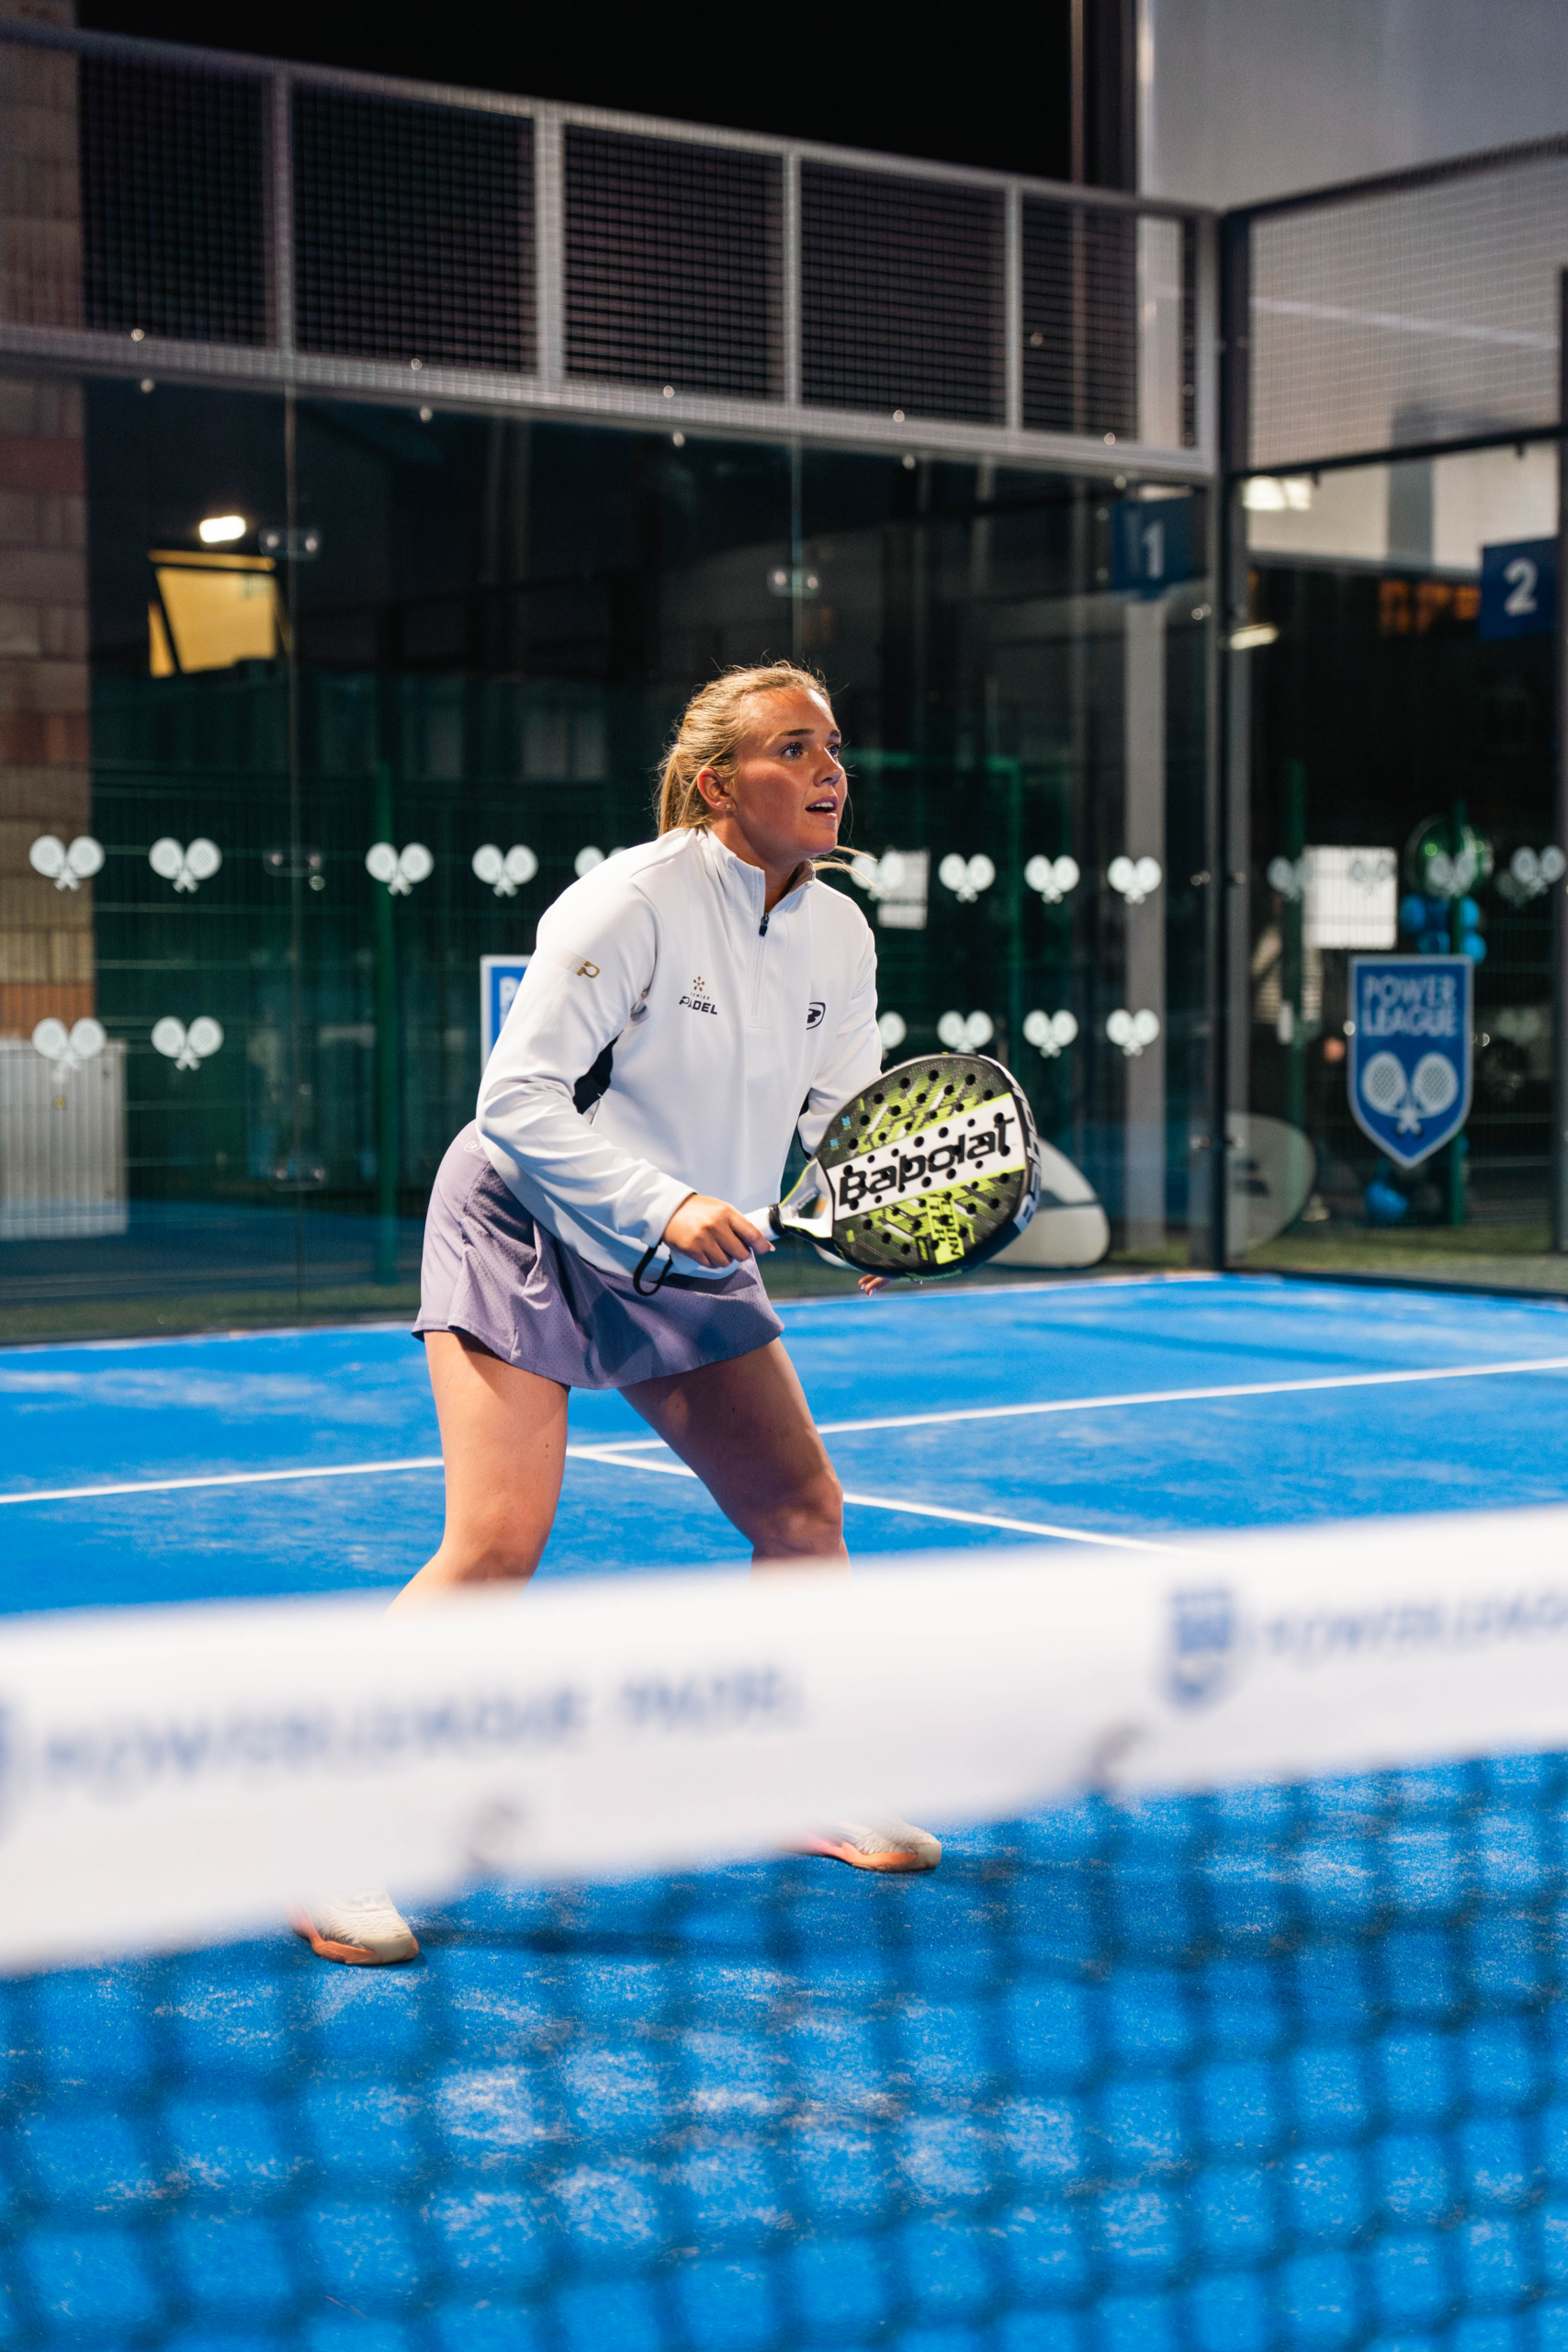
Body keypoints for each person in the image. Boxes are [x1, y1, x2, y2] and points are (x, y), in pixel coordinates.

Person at [292, 662, 940, 1966]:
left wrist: (869, 1203)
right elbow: (517, 1101)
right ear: (719, 782)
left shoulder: (840, 932)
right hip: (525, 1222)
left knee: (803, 1519)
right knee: (493, 1546)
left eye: (835, 748)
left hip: (682, 1242)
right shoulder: (629, 901)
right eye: (795, 748)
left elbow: (840, 1114)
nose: (831, 772)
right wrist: (659, 1202)